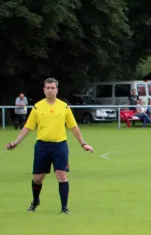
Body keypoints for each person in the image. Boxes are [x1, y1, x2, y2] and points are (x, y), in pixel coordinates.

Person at [5, 78, 94, 214]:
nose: (51, 90)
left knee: (61, 175)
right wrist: (15, 143)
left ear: (57, 90)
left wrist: (83, 144)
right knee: (38, 178)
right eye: (48, 88)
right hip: (42, 146)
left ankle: (64, 207)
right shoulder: (37, 107)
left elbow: (74, 127)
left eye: (53, 88)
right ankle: (35, 201)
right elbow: (27, 128)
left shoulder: (64, 107)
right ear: (44, 90)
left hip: (60, 146)